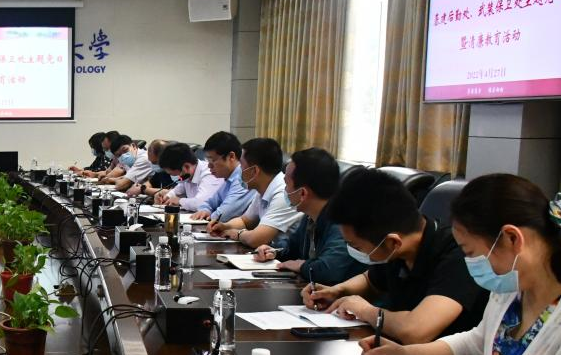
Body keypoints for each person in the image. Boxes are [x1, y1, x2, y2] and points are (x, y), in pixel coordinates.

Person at [359, 175, 561, 355]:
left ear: (512, 238)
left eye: (471, 253)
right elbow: (479, 342)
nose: (471, 264)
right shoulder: (512, 288)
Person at [302, 167, 487, 343]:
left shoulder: (458, 254)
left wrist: (365, 310)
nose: (353, 251)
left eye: (355, 246)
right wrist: (337, 291)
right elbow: (370, 281)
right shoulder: (398, 248)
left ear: (393, 242)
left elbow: (416, 331)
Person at [251, 147, 366, 285]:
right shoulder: (309, 216)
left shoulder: (341, 221)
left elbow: (330, 270)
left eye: (286, 184)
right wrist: (274, 251)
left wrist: (301, 266)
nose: (285, 190)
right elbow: (292, 248)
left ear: (303, 193)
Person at [208, 137, 302, 249]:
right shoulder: (263, 188)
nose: (239, 170)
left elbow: (256, 239)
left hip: (286, 256)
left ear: (254, 171)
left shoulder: (283, 193)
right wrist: (225, 226)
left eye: (241, 165)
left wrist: (238, 234)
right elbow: (245, 221)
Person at [189, 131, 255, 222]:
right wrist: (205, 210)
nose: (209, 166)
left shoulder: (243, 178)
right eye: (208, 161)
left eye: (213, 160)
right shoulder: (229, 178)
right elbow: (209, 203)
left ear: (231, 156)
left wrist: (210, 215)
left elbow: (224, 215)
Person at [153, 142, 224, 212]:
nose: (178, 178)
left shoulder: (210, 173)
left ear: (186, 167)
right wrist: (167, 196)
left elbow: (201, 203)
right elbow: (178, 190)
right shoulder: (188, 174)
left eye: (176, 174)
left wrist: (180, 201)